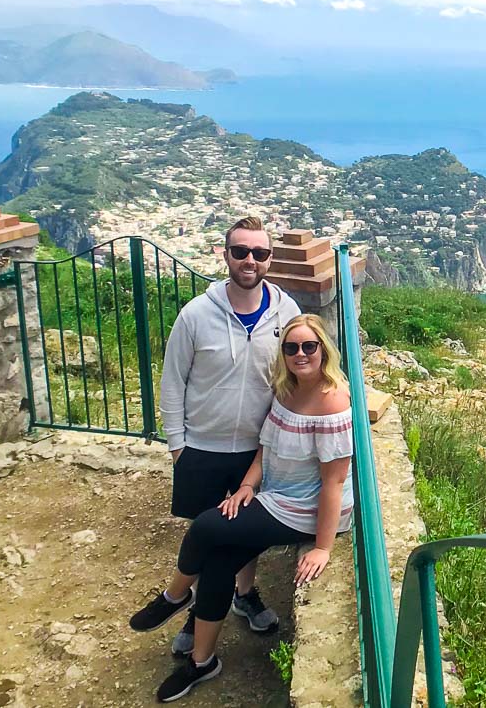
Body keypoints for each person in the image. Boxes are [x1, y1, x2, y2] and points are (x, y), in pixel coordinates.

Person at [131, 314, 355, 701]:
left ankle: (175, 596)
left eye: (309, 346)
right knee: (218, 562)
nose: (300, 354)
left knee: (206, 527)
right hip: (273, 495)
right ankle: (203, 662)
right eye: (291, 347)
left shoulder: (331, 399)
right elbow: (264, 450)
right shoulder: (286, 390)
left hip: (304, 507)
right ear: (283, 353)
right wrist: (246, 488)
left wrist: (322, 547)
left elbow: (334, 482)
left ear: (324, 349)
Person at [155, 215, 301, 656]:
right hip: (201, 446)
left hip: (258, 450)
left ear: (270, 259)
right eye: (240, 251)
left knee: (241, 534)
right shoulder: (196, 314)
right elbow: (172, 380)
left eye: (259, 252)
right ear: (226, 254)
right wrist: (178, 445)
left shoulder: (287, 313)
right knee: (205, 531)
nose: (249, 260)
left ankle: (244, 593)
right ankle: (197, 611)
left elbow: (298, 375)